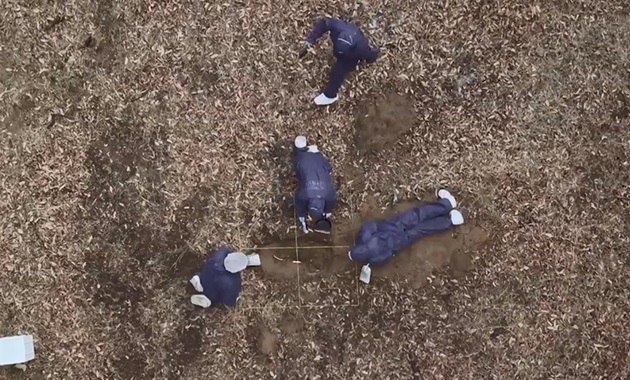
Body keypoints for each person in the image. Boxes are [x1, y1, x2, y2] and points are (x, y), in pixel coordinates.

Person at [348, 190, 464, 267]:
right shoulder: (366, 236)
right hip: (396, 225)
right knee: (420, 214)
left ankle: (451, 220)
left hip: (401, 241)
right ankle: (447, 204)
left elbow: (388, 256)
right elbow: (371, 225)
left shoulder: (373, 259)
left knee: (423, 229)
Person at [300, 17, 379, 106]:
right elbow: (323, 24)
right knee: (338, 55)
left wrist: (371, 58)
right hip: (346, 42)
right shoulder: (337, 26)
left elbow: (368, 55)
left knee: (338, 72)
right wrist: (310, 40)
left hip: (350, 57)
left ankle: (330, 96)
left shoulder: (361, 47)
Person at [293, 135, 338, 234]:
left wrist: (302, 218)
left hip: (308, 161)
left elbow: (332, 200)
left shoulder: (329, 194)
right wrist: (302, 216)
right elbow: (299, 202)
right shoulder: (304, 194)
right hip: (305, 162)